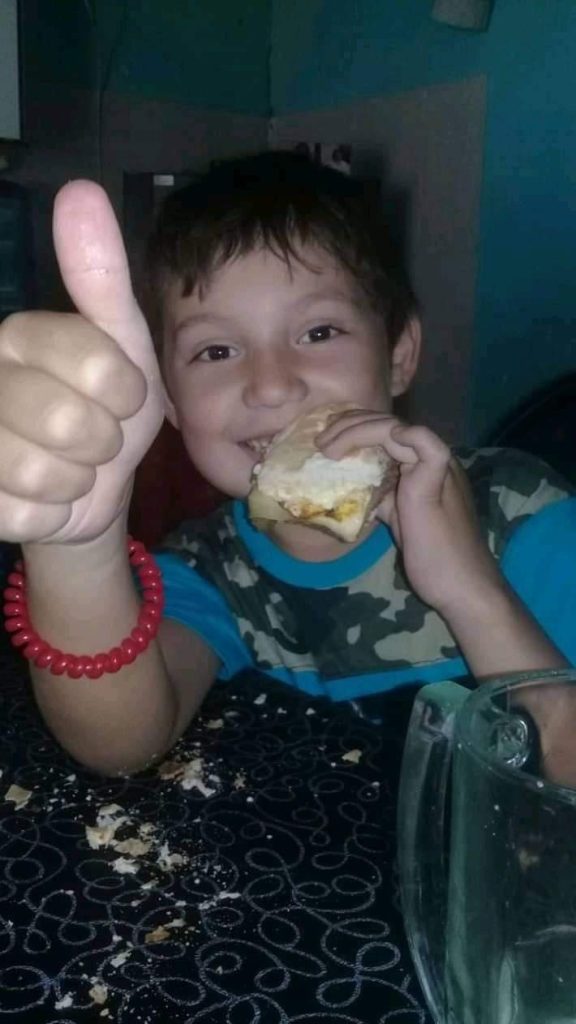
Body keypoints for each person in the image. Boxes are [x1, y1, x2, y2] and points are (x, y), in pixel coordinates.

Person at [0, 152, 574, 778]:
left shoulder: (522, 512)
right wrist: (75, 548)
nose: (271, 386)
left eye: (319, 333)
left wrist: (470, 590)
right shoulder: (208, 568)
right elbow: (122, 743)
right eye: (216, 350)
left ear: (399, 355)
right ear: (169, 402)